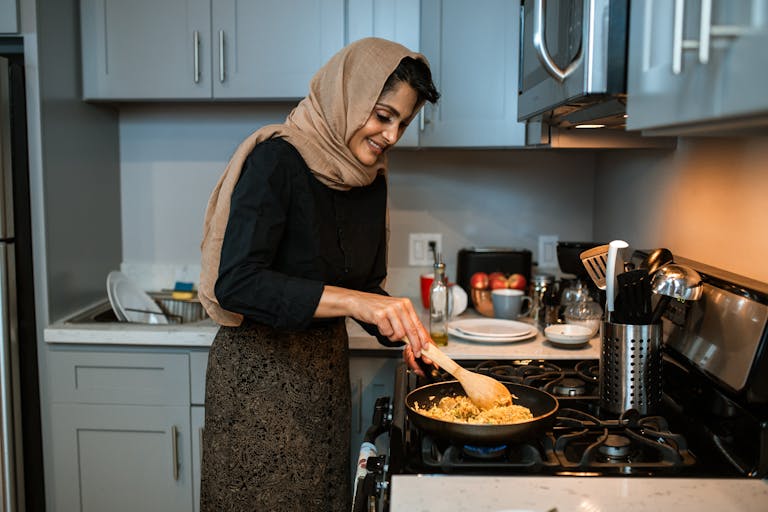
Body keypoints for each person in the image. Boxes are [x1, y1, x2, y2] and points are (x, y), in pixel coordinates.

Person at [197, 37, 440, 511]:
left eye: (403, 123)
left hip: (324, 381)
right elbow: (237, 282)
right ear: (346, 97)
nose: (390, 136)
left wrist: (403, 332)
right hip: (256, 385)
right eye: (382, 116)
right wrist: (355, 302)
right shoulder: (276, 159)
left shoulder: (370, 179)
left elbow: (365, 286)